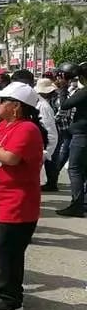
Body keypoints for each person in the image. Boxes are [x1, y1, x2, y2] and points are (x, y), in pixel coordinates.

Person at [0, 82, 47, 310]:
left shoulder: (27, 129)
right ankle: (5, 290)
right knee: (3, 250)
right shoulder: (6, 125)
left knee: (8, 251)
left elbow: (11, 157)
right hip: (2, 200)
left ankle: (11, 299)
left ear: (16, 107)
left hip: (18, 203)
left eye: (2, 101)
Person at [12, 71, 58, 191]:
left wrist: (43, 156)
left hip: (32, 157)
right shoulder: (14, 103)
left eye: (22, 85)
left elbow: (51, 134)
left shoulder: (41, 105)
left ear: (30, 84)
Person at [57, 62, 87, 217]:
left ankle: (77, 205)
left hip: (82, 135)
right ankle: (83, 202)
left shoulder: (84, 92)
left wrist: (63, 86)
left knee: (74, 169)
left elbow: (65, 105)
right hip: (81, 134)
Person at [35, 78, 62, 191]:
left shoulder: (43, 105)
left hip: (46, 142)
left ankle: (51, 184)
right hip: (45, 141)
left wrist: (47, 152)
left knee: (51, 163)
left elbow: (50, 131)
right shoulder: (41, 104)